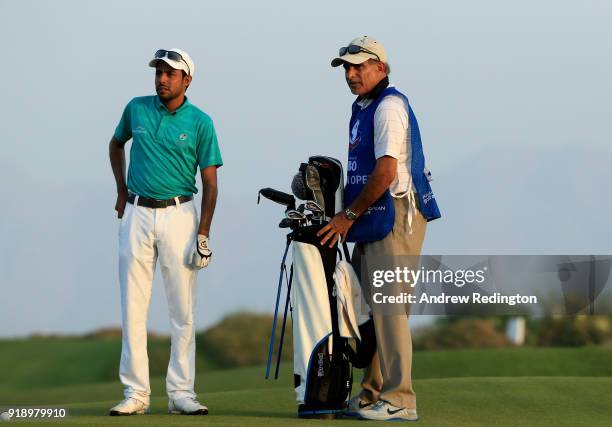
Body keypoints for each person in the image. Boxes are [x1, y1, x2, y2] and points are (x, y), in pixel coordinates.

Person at [318, 36, 441, 421]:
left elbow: (386, 172)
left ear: (381, 68)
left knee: (390, 309)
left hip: (396, 215)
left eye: (359, 67)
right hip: (371, 216)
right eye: (347, 68)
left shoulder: (388, 107)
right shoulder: (363, 107)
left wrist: (346, 217)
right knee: (369, 311)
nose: (351, 74)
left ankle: (401, 399)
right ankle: (373, 396)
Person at [108, 48, 222, 416]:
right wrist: (121, 191)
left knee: (182, 310)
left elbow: (210, 182)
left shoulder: (201, 122)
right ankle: (136, 394)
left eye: (170, 73)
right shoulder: (136, 108)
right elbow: (116, 143)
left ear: (187, 79)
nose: (161, 79)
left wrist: (203, 232)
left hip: (180, 214)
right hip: (137, 213)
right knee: (133, 308)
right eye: (159, 72)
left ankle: (181, 393)